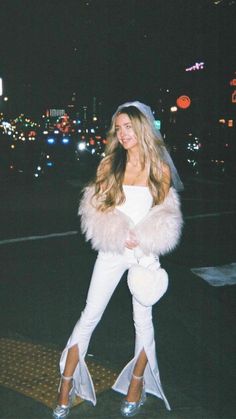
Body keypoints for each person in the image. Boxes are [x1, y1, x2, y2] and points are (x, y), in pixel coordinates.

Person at [53, 101, 183, 418]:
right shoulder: (110, 165)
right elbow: (95, 208)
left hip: (143, 253)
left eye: (128, 126)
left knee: (143, 321)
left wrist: (146, 235)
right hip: (112, 249)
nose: (123, 134)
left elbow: (165, 214)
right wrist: (114, 229)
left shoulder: (160, 170)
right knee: (90, 314)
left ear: (142, 127)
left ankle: (137, 383)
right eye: (119, 128)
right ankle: (66, 384)